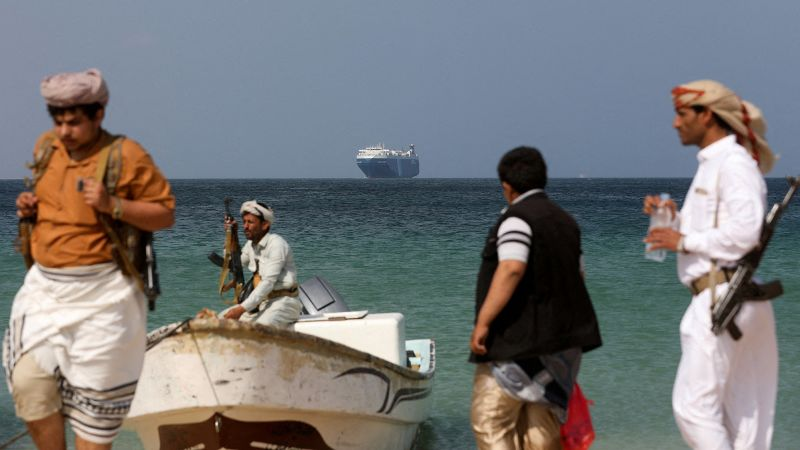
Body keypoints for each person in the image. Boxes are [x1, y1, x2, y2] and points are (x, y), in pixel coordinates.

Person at [3, 68, 175, 449]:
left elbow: (164, 214)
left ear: (99, 114)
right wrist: (29, 209)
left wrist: (112, 204)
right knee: (28, 384)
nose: (65, 131)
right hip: (45, 292)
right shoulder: (46, 147)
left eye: (74, 122)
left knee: (96, 411)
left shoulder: (126, 155)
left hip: (105, 296)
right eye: (59, 121)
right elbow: (56, 202)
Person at [644, 80, 777, 449]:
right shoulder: (715, 165)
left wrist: (683, 241)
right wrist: (672, 219)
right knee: (743, 415)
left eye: (682, 114)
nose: (675, 123)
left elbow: (745, 232)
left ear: (707, 115)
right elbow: (715, 228)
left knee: (693, 408)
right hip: (732, 298)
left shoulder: (733, 164)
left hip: (723, 298)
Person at [469, 146, 602, 450]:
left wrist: (483, 322)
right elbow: (578, 277)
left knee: (491, 422)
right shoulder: (567, 222)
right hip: (561, 349)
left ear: (506, 186)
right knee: (542, 432)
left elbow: (512, 268)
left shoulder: (516, 219)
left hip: (517, 345)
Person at [220, 200, 302, 327]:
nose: (245, 226)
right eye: (244, 222)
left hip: (285, 303)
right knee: (218, 321)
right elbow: (234, 265)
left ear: (265, 225)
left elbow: (268, 283)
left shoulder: (276, 245)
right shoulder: (251, 245)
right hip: (261, 304)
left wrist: (241, 309)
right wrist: (232, 235)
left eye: (250, 222)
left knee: (258, 329)